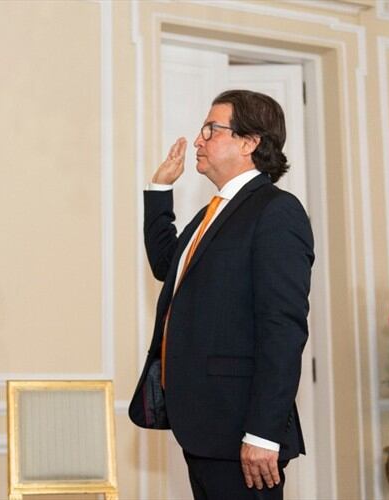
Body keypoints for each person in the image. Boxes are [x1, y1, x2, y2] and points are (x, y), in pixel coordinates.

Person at [129, 89, 314, 499]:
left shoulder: (276, 211)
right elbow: (168, 266)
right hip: (204, 426)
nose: (199, 140)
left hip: (243, 430)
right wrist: (159, 191)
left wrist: (264, 433)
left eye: (212, 130)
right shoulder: (214, 212)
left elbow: (282, 330)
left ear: (250, 142)